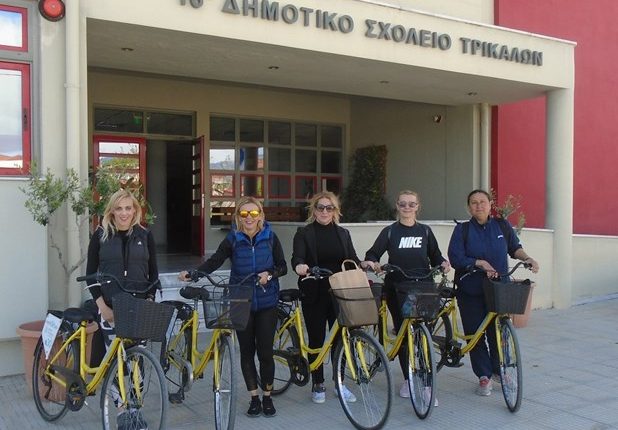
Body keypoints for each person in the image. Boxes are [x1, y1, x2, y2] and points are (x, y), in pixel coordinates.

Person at [179, 196, 287, 418]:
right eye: (244, 213)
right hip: (240, 301)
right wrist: (194, 274)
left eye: (253, 213)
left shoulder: (270, 237)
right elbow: (215, 261)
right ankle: (254, 398)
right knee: (246, 352)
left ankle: (267, 397)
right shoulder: (233, 239)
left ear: (260, 215)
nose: (249, 218)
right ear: (238, 216)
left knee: (265, 353)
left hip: (266, 302)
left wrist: (270, 274)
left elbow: (283, 266)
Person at [448, 189, 539, 396]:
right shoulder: (462, 230)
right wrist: (479, 263)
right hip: (470, 290)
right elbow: (456, 258)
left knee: (498, 332)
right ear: (469, 208)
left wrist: (527, 258)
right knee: (475, 334)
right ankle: (484, 375)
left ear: (490, 204)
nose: (478, 205)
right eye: (474, 202)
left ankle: (500, 371)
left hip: (498, 289)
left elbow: (514, 247)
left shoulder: (502, 225)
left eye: (483, 201)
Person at [362, 190, 450, 399]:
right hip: (398, 290)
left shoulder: (425, 231)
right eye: (403, 204)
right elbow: (372, 253)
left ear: (418, 206)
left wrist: (443, 263)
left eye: (411, 204)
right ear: (397, 206)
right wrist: (372, 262)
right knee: (404, 335)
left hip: (423, 289)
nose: (407, 208)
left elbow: (436, 256)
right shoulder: (390, 232)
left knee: (423, 336)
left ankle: (427, 385)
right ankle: (408, 379)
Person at [85, 188, 159, 430]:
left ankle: (135, 409)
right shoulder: (100, 235)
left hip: (138, 307)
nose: (124, 213)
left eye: (128, 208)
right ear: (112, 211)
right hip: (110, 308)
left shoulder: (145, 236)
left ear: (135, 210)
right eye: (119, 208)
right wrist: (102, 307)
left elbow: (154, 275)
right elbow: (90, 275)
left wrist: (149, 300)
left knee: (137, 360)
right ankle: (121, 411)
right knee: (115, 360)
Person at [291, 191, 360, 404]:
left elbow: (352, 258)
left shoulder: (343, 233)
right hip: (315, 292)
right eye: (320, 207)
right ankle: (318, 382)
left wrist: (364, 265)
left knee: (340, 340)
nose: (324, 211)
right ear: (314, 210)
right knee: (317, 339)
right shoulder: (304, 233)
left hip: (339, 292)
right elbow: (297, 257)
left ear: (335, 211)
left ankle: (340, 383)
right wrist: (300, 266)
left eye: (329, 208)